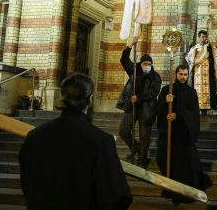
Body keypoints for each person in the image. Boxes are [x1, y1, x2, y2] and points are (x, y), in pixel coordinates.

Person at [19, 73, 132, 209]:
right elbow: (117, 196)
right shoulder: (100, 141)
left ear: (62, 97)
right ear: (90, 99)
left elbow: (27, 184)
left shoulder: (33, 137)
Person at [156, 65, 212, 204]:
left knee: (187, 163)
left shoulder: (191, 92)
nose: (183, 77)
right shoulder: (166, 90)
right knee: (162, 158)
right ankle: (170, 188)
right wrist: (165, 103)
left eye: (185, 74)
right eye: (180, 74)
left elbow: (193, 114)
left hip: (183, 134)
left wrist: (178, 115)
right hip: (169, 133)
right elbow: (158, 109)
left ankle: (186, 192)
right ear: (176, 74)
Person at [118, 37, 162, 168]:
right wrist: (129, 46)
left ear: (151, 65)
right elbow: (124, 60)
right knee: (123, 131)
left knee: (144, 136)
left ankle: (143, 160)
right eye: (145, 64)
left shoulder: (156, 76)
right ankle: (136, 148)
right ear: (141, 64)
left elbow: (154, 92)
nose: (147, 66)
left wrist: (139, 97)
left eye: (149, 64)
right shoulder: (135, 70)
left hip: (147, 109)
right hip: (131, 106)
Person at [185, 30, 217, 114]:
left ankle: (209, 107)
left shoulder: (211, 47)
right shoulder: (195, 47)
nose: (204, 38)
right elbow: (189, 59)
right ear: (199, 37)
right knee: (197, 90)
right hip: (198, 73)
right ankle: (198, 107)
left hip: (209, 73)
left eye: (206, 37)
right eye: (203, 37)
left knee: (211, 88)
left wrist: (208, 48)